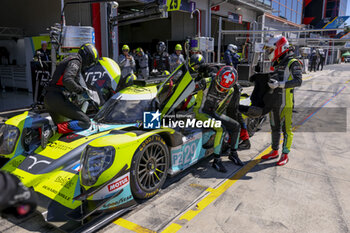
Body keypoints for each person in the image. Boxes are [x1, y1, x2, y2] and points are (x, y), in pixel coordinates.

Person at [34, 43, 99, 149]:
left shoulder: (70, 58)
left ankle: (36, 133)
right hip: (57, 98)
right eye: (90, 62)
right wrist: (80, 91)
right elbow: (67, 80)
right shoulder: (76, 61)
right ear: (87, 57)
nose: (88, 65)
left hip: (50, 98)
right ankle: (51, 129)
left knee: (63, 130)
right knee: (85, 122)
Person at [190, 54, 244, 173]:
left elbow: (224, 105)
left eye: (225, 89)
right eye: (220, 87)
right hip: (200, 112)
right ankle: (217, 160)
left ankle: (233, 153)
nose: (221, 90)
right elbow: (188, 91)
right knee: (221, 129)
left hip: (212, 113)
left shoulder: (229, 90)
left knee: (236, 126)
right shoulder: (206, 82)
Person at [262, 35, 302, 166]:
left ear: (279, 48)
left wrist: (279, 84)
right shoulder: (277, 62)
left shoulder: (293, 62)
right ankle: (274, 151)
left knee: (287, 130)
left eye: (270, 49)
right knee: (274, 127)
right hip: (274, 101)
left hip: (286, 103)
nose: (268, 52)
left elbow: (298, 81)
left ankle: (285, 154)